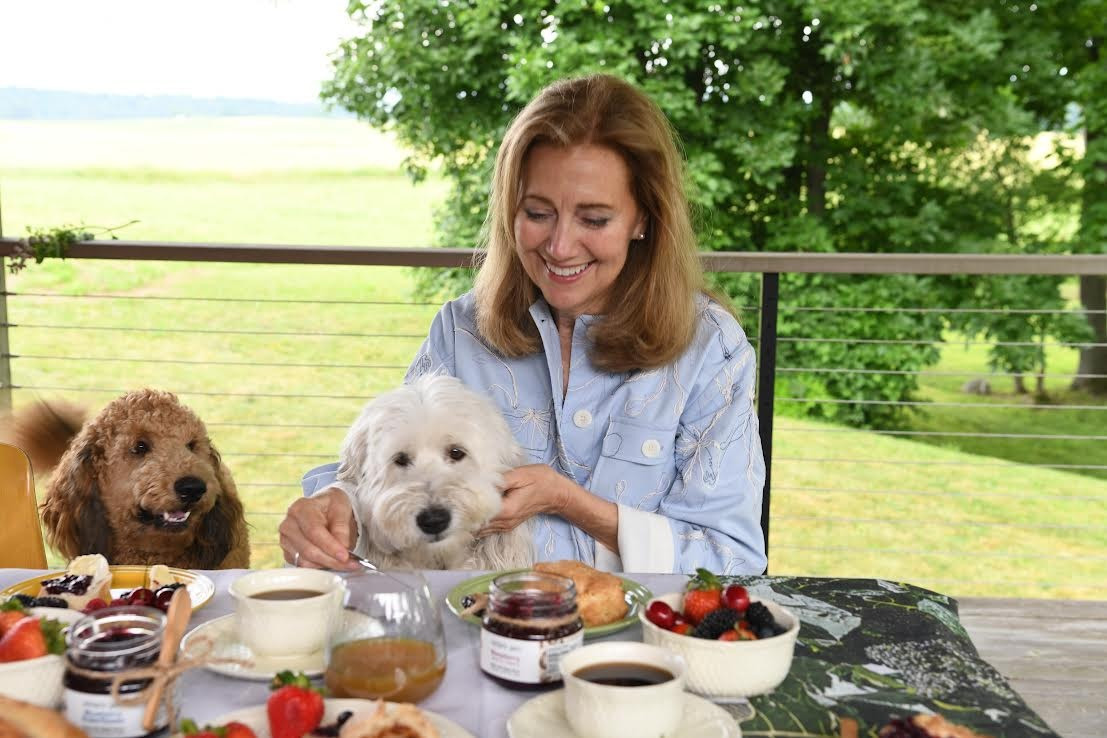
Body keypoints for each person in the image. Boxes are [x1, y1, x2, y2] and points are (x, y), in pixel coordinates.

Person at [279, 74, 767, 575]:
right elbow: (392, 477)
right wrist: (335, 508)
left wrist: (570, 502)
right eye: (538, 213)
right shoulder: (460, 330)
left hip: (638, 645)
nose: (559, 247)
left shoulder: (710, 348)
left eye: (594, 219)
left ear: (644, 218)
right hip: (478, 635)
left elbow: (731, 558)